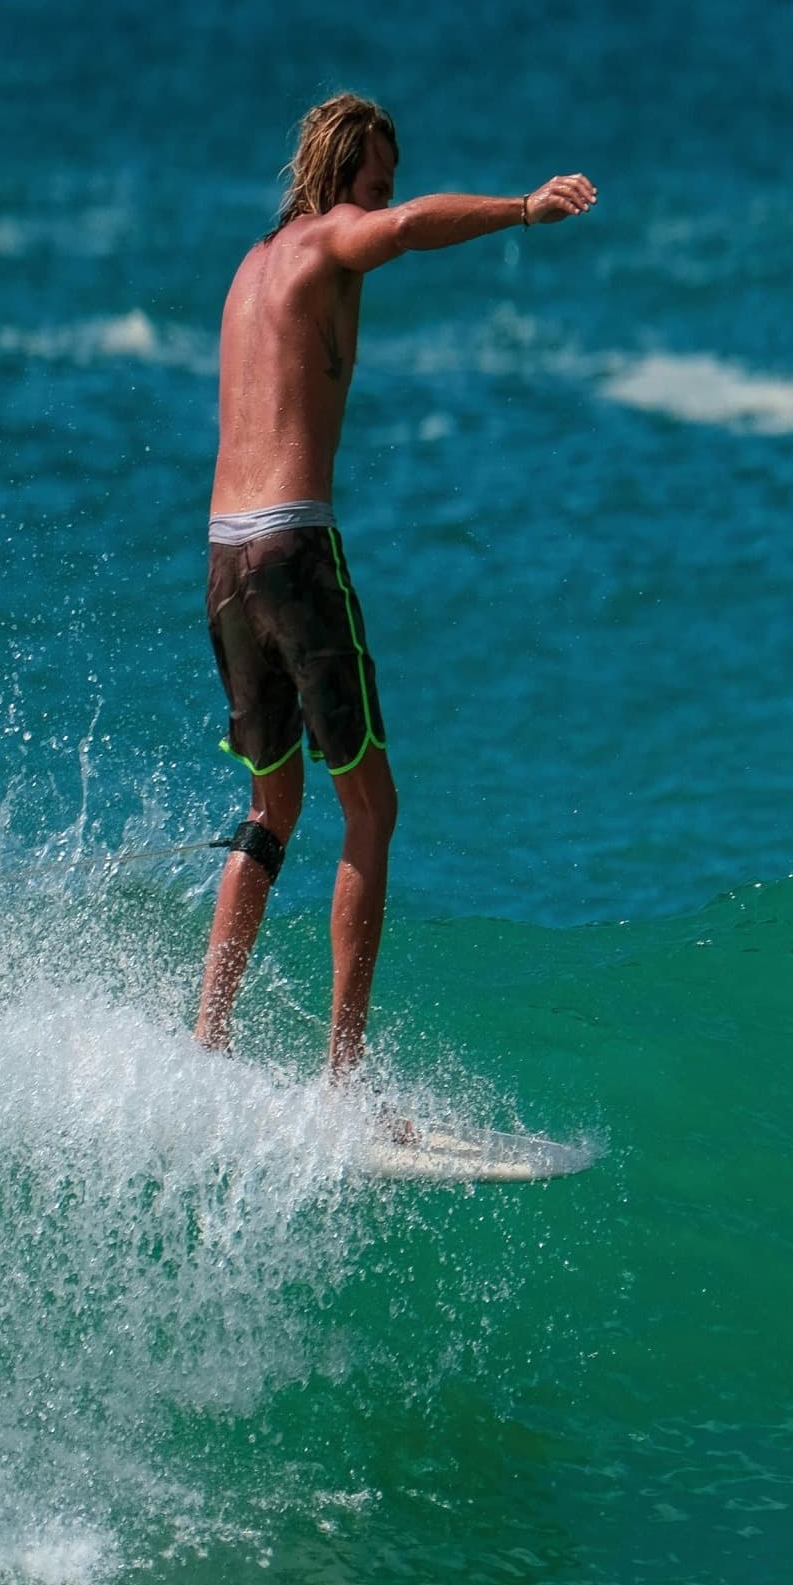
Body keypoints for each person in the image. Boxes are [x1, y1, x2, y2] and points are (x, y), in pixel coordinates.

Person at [195, 92, 596, 1075]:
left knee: (269, 805)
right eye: (374, 182)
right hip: (291, 547)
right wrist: (523, 209)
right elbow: (407, 232)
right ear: (339, 179)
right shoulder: (335, 238)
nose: (387, 200)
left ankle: (205, 1039)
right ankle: (343, 1078)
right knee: (370, 808)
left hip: (222, 560)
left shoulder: (250, 269)